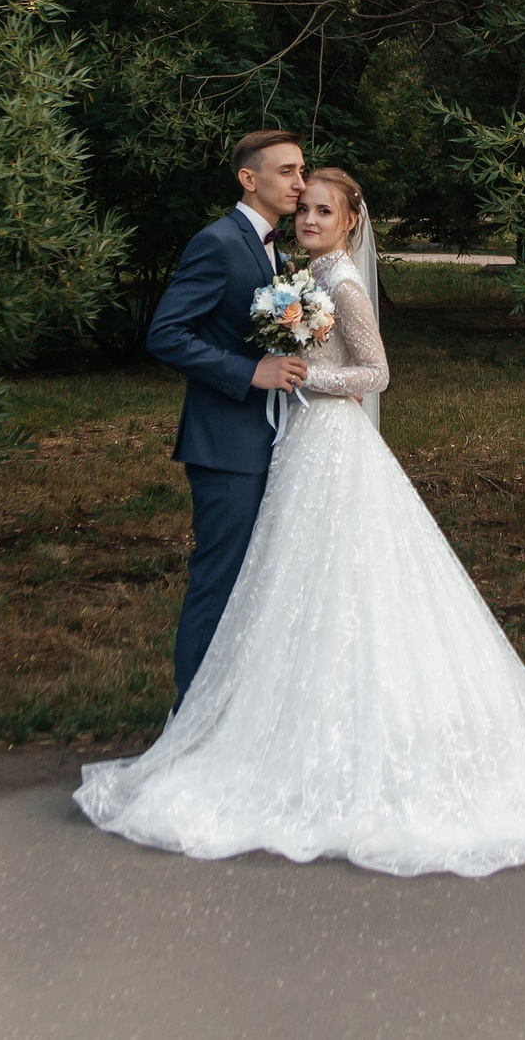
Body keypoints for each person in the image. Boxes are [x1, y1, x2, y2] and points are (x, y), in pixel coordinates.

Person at [81, 166, 525, 877]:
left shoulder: (339, 281)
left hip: (334, 445)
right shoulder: (307, 274)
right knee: (305, 587)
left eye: (323, 211)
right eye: (304, 209)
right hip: (306, 449)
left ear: (350, 222)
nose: (308, 219)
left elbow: (376, 373)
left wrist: (308, 374)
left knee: (350, 584)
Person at [141, 129, 311, 702]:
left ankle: (235, 711)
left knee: (257, 583)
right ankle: (190, 719)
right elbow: (165, 334)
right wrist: (250, 373)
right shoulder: (217, 242)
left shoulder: (274, 250)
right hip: (225, 445)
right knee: (219, 582)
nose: (299, 182)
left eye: (302, 171)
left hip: (271, 439)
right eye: (286, 171)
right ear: (249, 178)